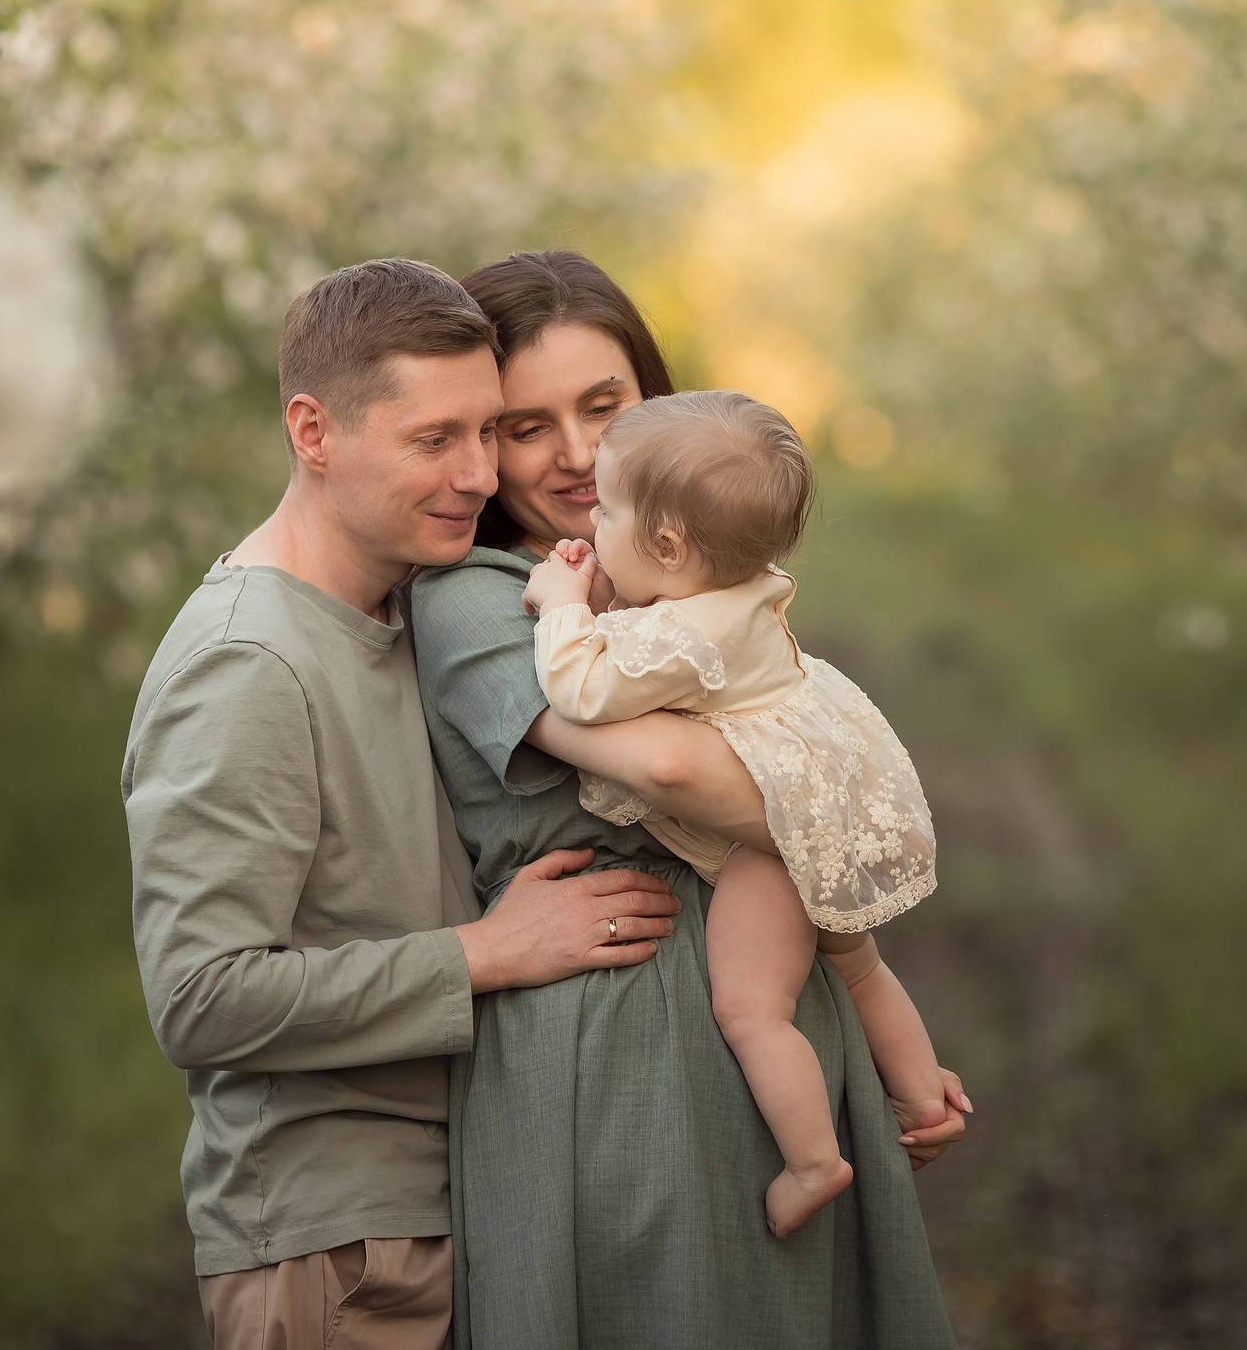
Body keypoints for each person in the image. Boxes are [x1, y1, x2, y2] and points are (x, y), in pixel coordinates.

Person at [122, 258, 687, 1350]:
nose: (478, 474)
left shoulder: (389, 612)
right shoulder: (247, 663)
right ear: (313, 431)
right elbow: (200, 997)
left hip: (435, 1211)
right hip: (333, 1249)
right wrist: (483, 953)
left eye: (488, 432)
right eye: (436, 441)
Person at [408, 250, 966, 1350]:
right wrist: (856, 807)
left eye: (604, 407)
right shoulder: (477, 602)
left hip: (769, 1014)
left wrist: (872, 1020)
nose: (575, 455)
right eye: (526, 425)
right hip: (614, 1041)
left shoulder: (689, 584)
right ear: (479, 437)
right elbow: (681, 771)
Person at [521, 389, 946, 1240]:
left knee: (751, 1007)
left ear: (670, 546)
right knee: (857, 968)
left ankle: (813, 1161)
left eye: (607, 509)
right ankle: (927, 1095)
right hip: (814, 789)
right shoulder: (736, 590)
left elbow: (580, 686)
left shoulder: (686, 636)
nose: (591, 523)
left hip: (776, 846)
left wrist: (562, 601)